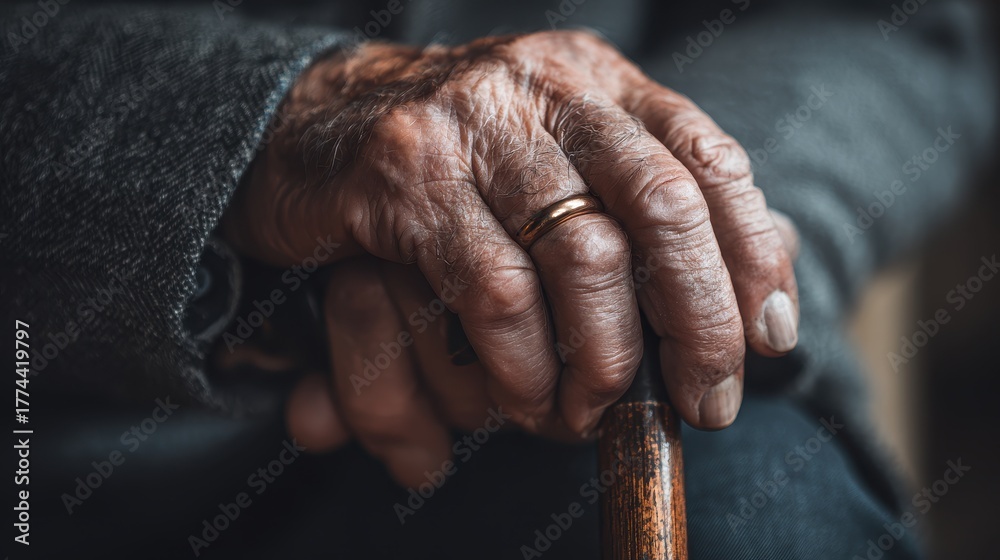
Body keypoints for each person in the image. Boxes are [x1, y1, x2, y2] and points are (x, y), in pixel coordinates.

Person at [1, 0, 994, 558]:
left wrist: (647, 215)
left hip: (562, 383)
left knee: (767, 527)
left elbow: (884, 24)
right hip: (55, 432)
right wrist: (261, 133)